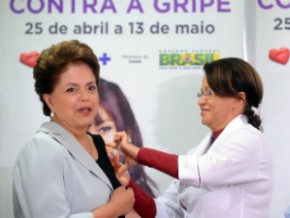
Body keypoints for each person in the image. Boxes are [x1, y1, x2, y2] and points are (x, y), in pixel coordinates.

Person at [112, 57, 273, 218]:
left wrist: (139, 154)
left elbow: (203, 171)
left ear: (238, 99)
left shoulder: (250, 140)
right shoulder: (198, 152)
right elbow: (162, 211)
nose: (200, 101)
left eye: (208, 93)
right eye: (201, 93)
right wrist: (128, 183)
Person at [12, 40, 135, 218]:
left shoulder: (97, 143)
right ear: (49, 100)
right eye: (72, 90)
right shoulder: (41, 149)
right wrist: (113, 209)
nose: (85, 97)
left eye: (91, 87)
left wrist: (117, 185)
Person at [88, 78, 158, 198]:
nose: (94, 140)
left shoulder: (140, 198)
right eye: (82, 130)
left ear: (128, 132)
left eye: (104, 129)